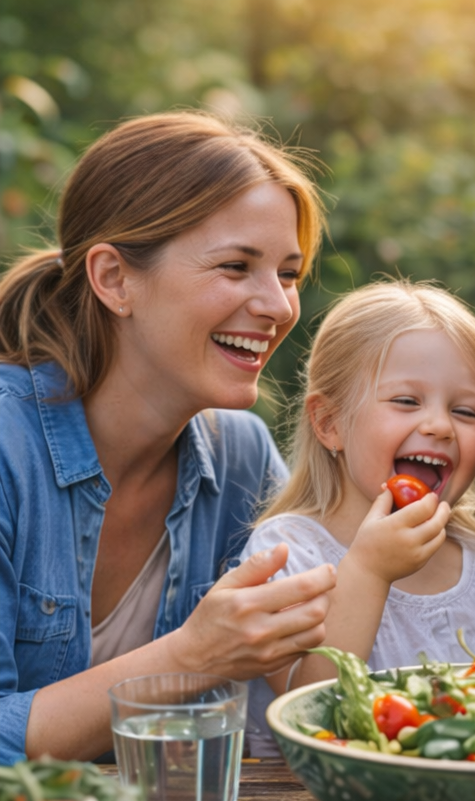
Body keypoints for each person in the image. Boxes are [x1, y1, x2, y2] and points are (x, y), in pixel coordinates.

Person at [0, 111, 338, 765]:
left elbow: (307, 688)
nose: (277, 306)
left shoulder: (241, 457)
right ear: (114, 279)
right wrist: (192, 659)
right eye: (237, 267)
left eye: (288, 274)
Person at [240, 281, 475, 756]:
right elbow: (309, 703)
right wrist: (368, 570)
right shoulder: (287, 552)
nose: (440, 426)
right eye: (407, 401)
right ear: (330, 423)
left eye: (466, 411)